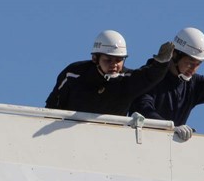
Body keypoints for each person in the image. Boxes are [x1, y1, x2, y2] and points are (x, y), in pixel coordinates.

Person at [130, 27, 204, 142]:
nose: (193, 69)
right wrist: (170, 128)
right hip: (140, 143)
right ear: (175, 55)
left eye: (198, 64)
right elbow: (143, 109)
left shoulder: (193, 84)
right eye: (190, 63)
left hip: (168, 147)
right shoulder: (149, 76)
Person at [46, 30, 174, 116]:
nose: (114, 65)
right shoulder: (74, 74)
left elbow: (149, 76)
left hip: (110, 140)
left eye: (119, 60)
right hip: (70, 137)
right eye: (108, 60)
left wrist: (161, 63)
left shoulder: (126, 80)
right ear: (95, 58)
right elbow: (52, 105)